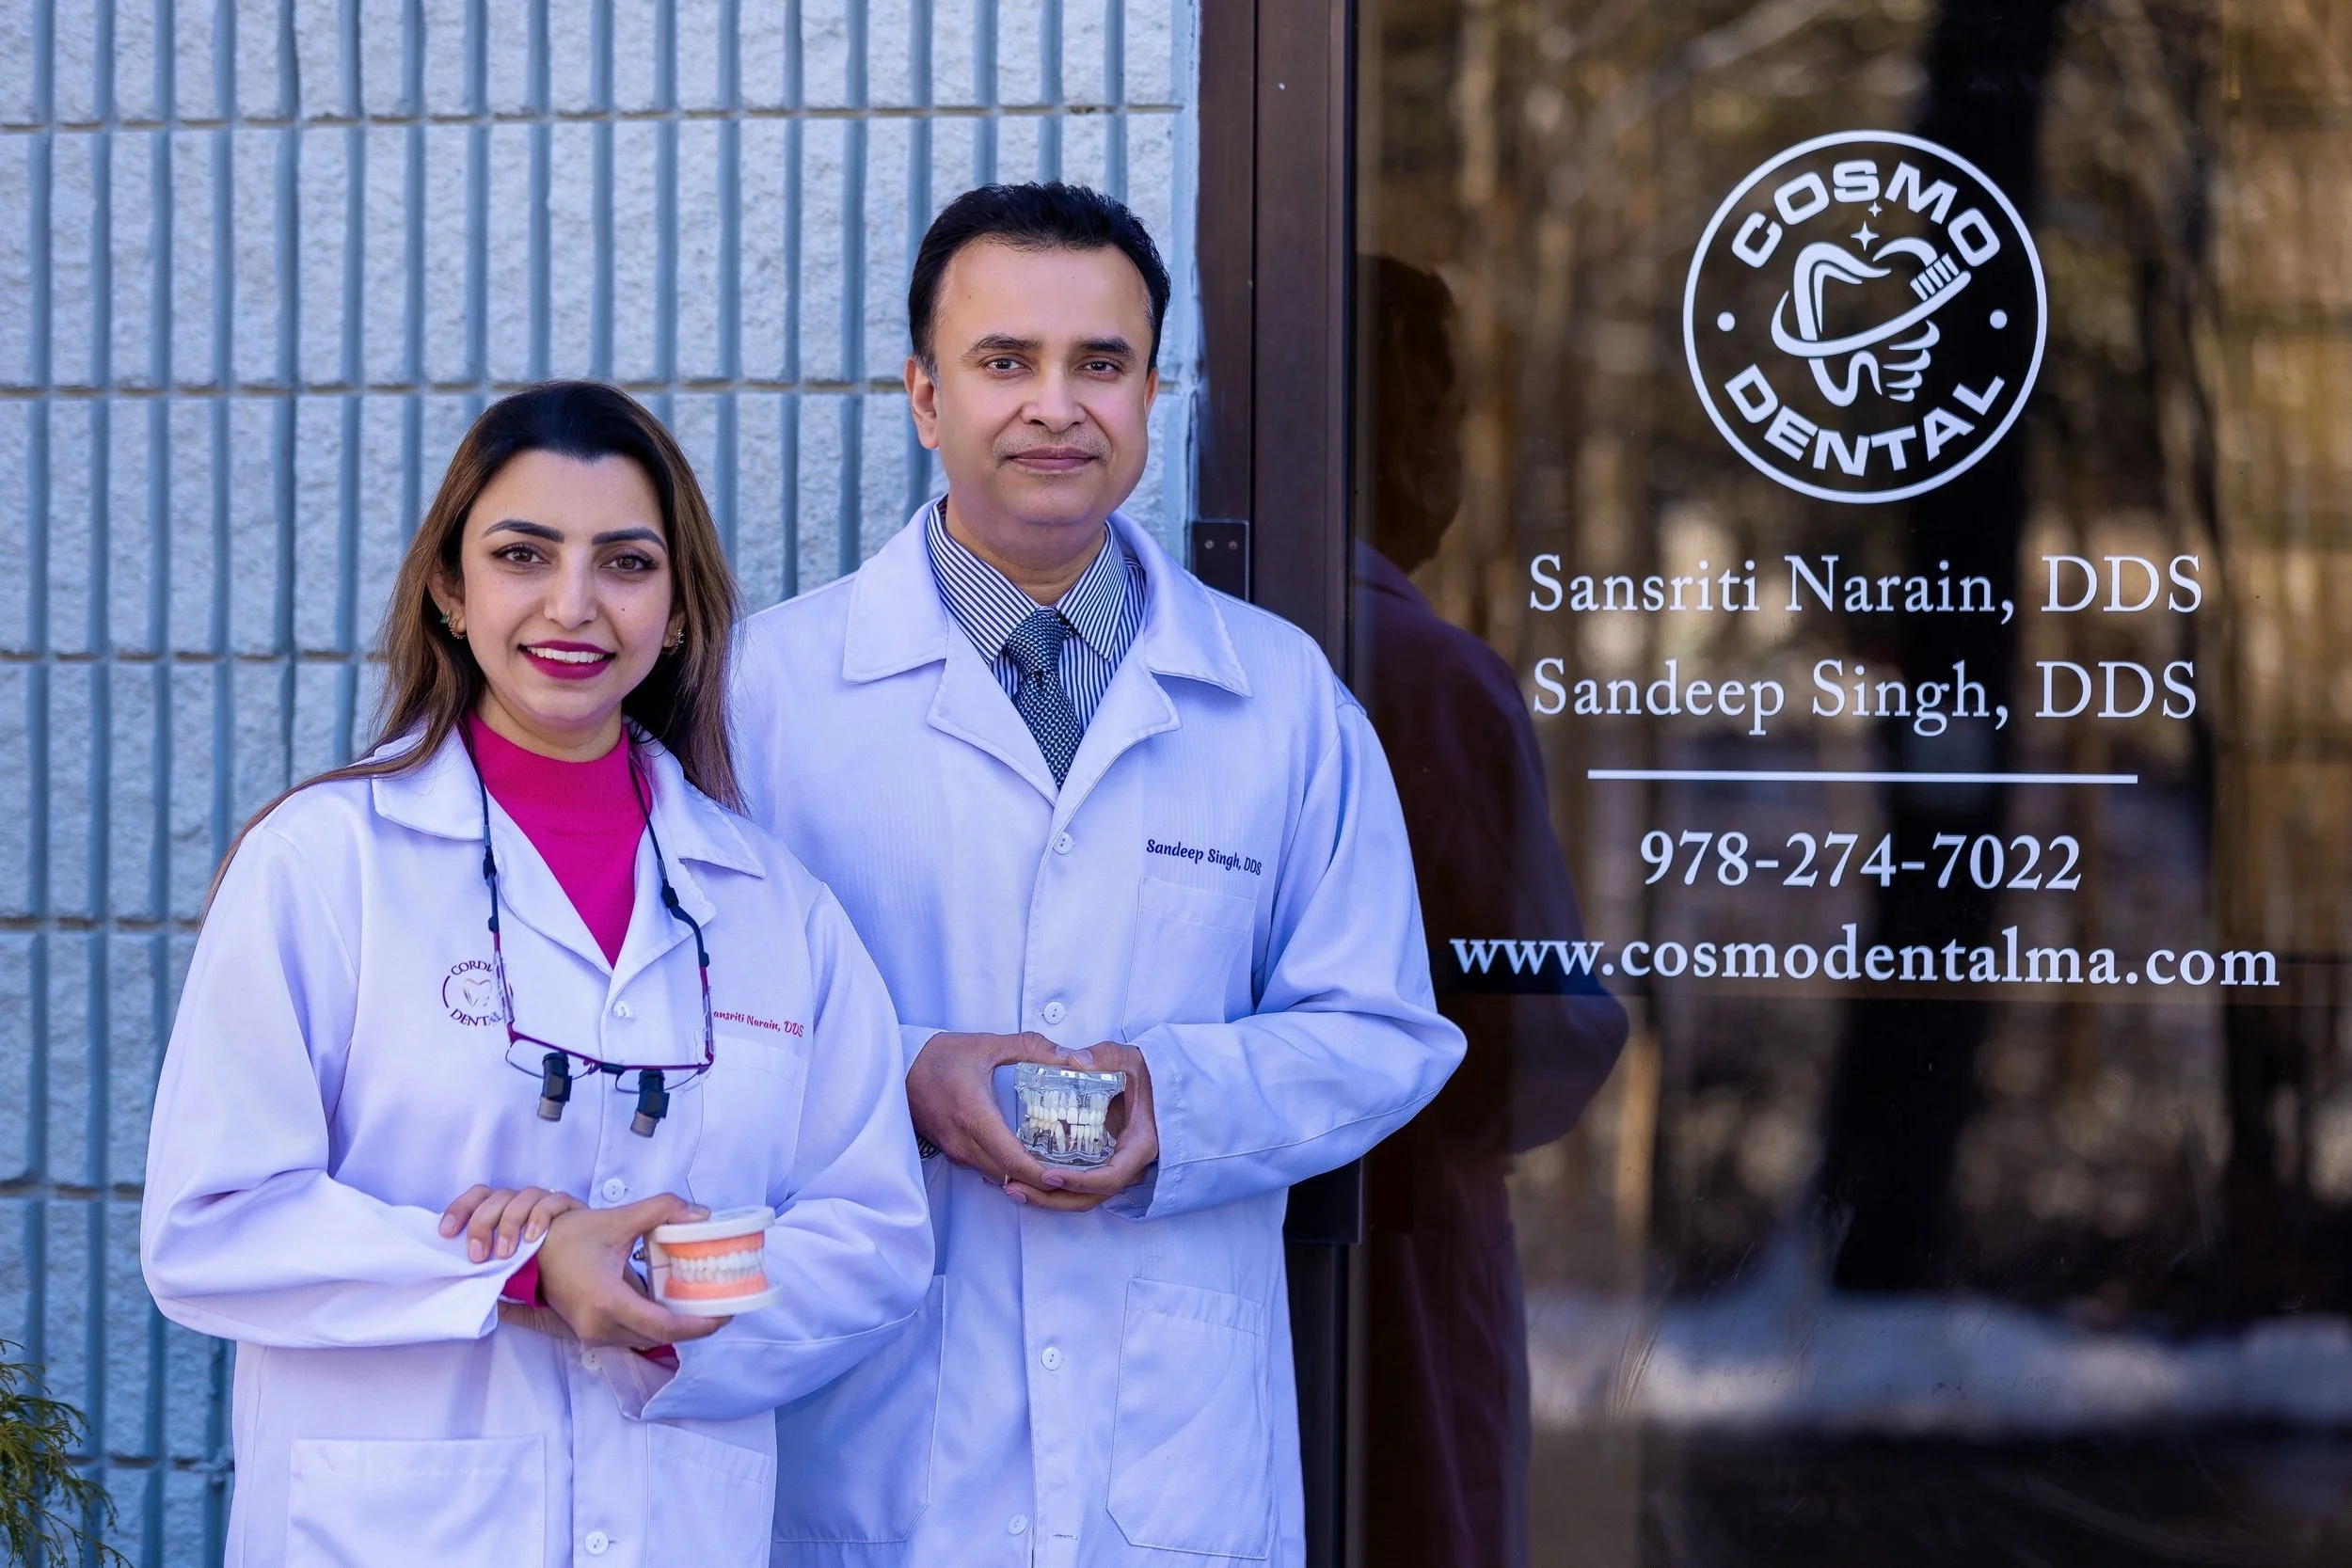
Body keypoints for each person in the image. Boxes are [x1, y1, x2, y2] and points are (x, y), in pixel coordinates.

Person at [732, 182, 1466, 1566]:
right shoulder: (768, 694)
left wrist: (1170, 1103)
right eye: (1005, 361)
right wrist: (910, 1076)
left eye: (1102, 364)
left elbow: (1381, 1029)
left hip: (1179, 1475)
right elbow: (690, 1037)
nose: (1055, 405)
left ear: (1154, 395)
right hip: (877, 1458)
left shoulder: (1277, 694)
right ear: (921, 393)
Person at [140, 382, 930, 1568]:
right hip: (388, 1531)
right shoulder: (323, 862)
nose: (574, 605)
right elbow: (211, 1221)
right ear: (452, 592)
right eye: (522, 554)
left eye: (625, 562)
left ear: (675, 613)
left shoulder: (777, 907)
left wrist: (647, 1274)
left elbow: (873, 1237)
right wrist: (518, 1271)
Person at [1350, 256, 1628, 1568]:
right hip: (1408, 1251)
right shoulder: (1425, 675)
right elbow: (1523, 1031)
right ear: (1399, 428)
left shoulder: (1228, 633)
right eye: (1444, 410)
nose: (1457, 454)